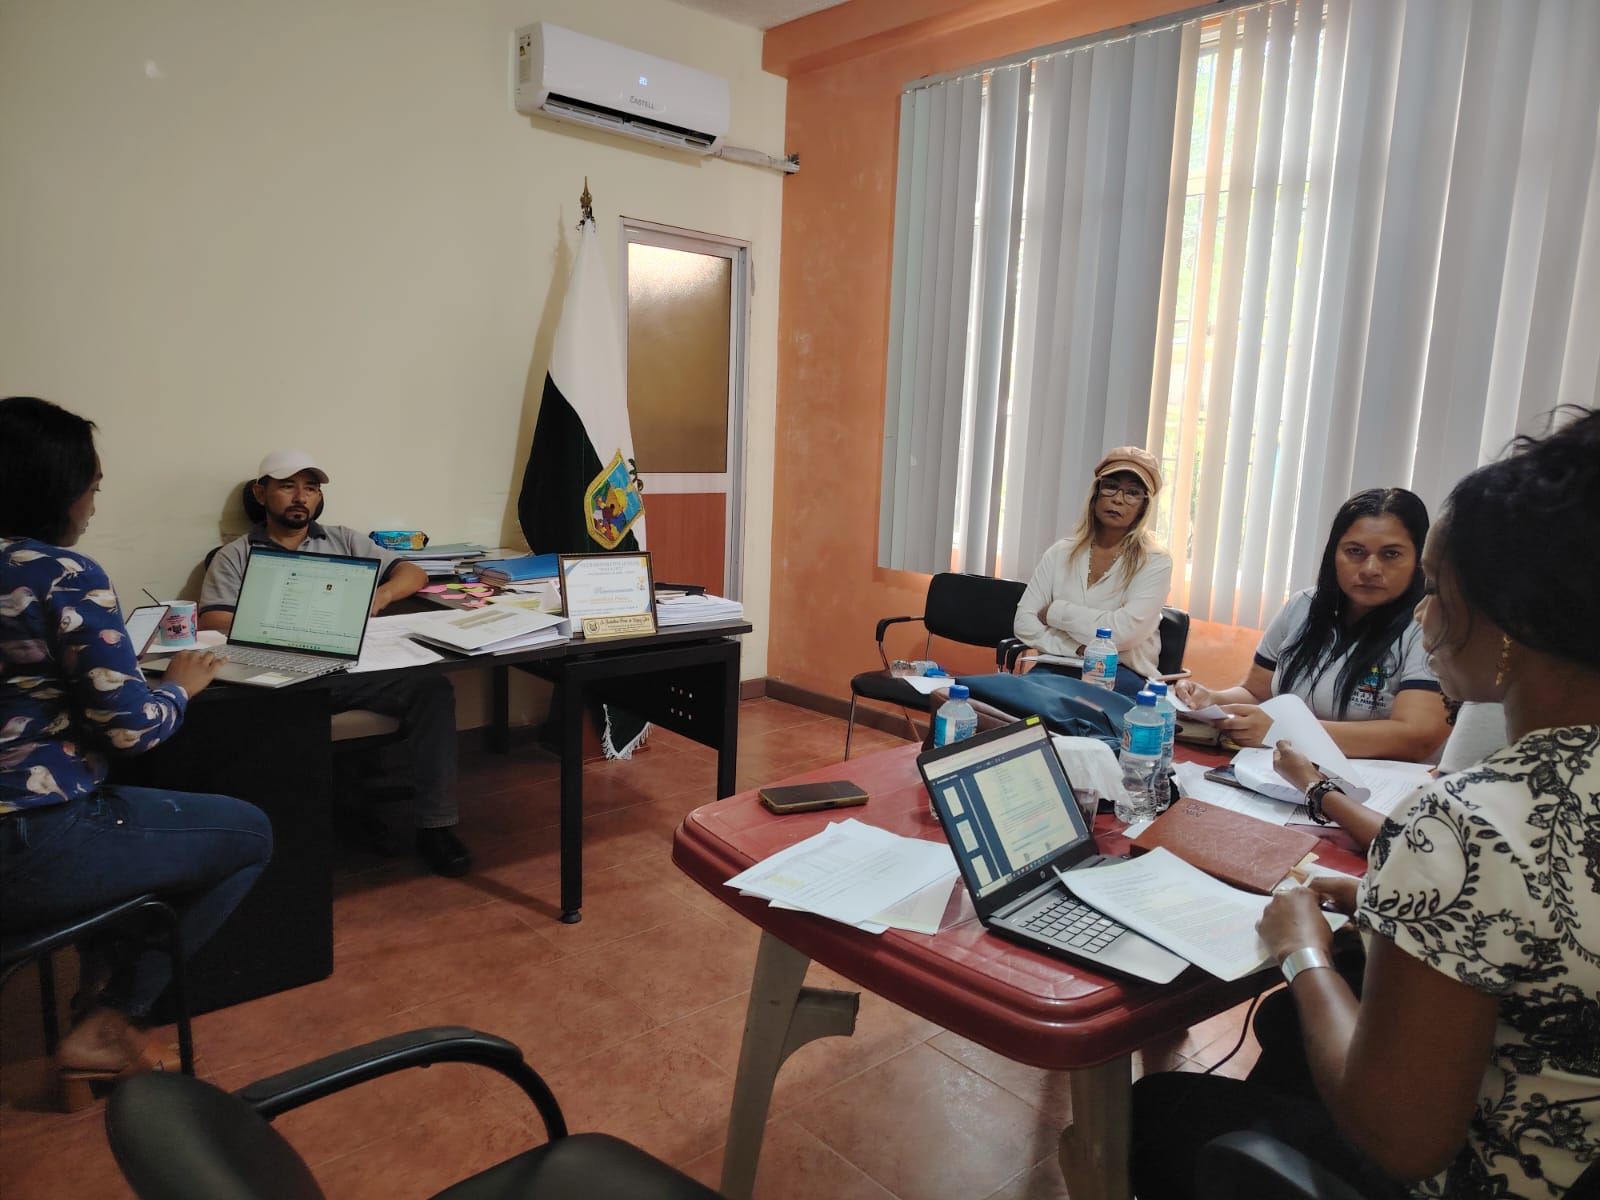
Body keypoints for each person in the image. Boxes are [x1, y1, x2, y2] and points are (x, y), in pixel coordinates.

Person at [1130, 407, 1600, 1200]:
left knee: (1155, 1112)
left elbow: (1403, 1138)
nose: (1420, 611)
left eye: (1435, 588)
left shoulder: (1466, 827)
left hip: (1485, 1175)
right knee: (1287, 1032)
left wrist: (1302, 949)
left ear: (1510, 622)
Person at [0, 397, 273, 1106]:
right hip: (32, 839)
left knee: (149, 820)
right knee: (247, 834)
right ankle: (111, 1023)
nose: (93, 504)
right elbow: (129, 731)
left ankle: (96, 980)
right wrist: (178, 686)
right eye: (91, 487)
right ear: (55, 491)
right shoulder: (61, 572)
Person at [198, 450, 471, 877]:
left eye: (310, 488)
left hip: (347, 671)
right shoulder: (235, 554)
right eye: (288, 486)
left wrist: (381, 594)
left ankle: (435, 827)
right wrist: (289, 623)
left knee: (431, 688)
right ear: (261, 493)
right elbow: (212, 618)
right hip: (277, 675)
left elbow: (413, 574)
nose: (300, 497)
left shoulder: (343, 540)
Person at [1176, 488, 1449, 844]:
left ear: (1418, 560)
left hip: (1373, 805)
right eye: (1355, 552)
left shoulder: (1427, 624)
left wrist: (1285, 732)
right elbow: (1257, 692)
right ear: (1334, 553)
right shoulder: (1302, 607)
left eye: (1391, 554)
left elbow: (1415, 737)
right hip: (1282, 785)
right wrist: (1210, 699)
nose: (1370, 569)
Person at [1013, 446, 1173, 697]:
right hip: (1056, 665)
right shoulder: (1060, 552)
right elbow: (1023, 622)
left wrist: (1055, 612)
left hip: (1121, 675)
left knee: (1073, 712)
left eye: (1132, 493)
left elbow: (1122, 633)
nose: (1118, 499)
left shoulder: (1155, 561)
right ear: (1096, 493)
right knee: (1017, 707)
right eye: (1111, 487)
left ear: (1144, 505)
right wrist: (1077, 649)